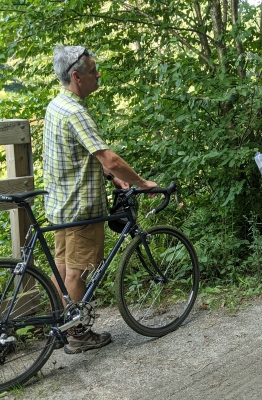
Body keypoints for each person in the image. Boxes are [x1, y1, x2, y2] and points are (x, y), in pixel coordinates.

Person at [43, 44, 158, 353]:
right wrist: (141, 182)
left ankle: (58, 325)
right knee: (78, 272)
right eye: (94, 72)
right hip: (81, 208)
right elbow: (109, 158)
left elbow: (78, 156)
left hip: (60, 205)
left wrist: (113, 178)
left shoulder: (56, 105)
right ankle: (77, 335)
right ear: (77, 76)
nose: (99, 76)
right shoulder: (77, 113)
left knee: (63, 267)